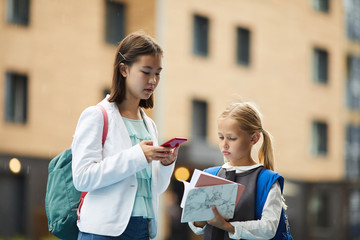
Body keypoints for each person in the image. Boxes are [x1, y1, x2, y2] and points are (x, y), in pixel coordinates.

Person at [71, 31, 180, 240]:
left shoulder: (149, 125)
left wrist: (166, 164)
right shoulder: (96, 116)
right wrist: (138, 155)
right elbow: (82, 178)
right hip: (104, 232)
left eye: (158, 73)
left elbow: (154, 189)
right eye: (146, 71)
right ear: (124, 69)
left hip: (143, 229)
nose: (153, 80)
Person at [188, 101, 291, 240]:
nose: (224, 144)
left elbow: (268, 228)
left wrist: (227, 226)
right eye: (221, 137)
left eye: (232, 138)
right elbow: (197, 226)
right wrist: (199, 219)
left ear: (254, 138)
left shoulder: (267, 180)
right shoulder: (209, 174)